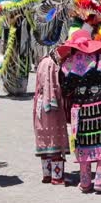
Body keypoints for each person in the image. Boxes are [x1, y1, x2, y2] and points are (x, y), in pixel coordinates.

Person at [57, 29, 101, 193]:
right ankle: (99, 180)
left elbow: (65, 90)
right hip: (100, 108)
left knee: (83, 143)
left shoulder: (66, 65)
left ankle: (85, 182)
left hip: (80, 109)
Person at [32, 50, 70, 185]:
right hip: (50, 104)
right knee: (55, 136)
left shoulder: (43, 61)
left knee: (44, 135)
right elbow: (51, 85)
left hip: (40, 103)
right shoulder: (51, 64)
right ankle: (56, 177)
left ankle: (47, 174)